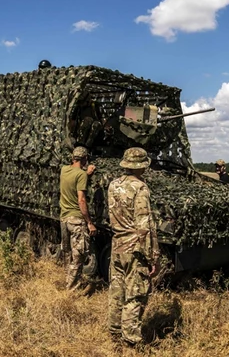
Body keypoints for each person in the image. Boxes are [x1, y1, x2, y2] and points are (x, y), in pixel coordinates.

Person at [107, 147, 160, 346]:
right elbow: (143, 226)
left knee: (117, 291)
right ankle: (130, 340)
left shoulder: (113, 185)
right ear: (141, 167)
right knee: (135, 295)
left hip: (117, 244)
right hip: (134, 249)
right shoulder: (140, 188)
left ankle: (114, 331)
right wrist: (151, 257)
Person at [59, 146, 97, 291]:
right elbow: (81, 200)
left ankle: (67, 282)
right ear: (85, 159)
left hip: (64, 218)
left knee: (67, 254)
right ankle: (72, 288)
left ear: (73, 158)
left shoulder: (64, 170)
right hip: (76, 219)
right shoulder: (81, 175)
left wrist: (85, 173)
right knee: (79, 255)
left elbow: (73, 176)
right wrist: (89, 222)